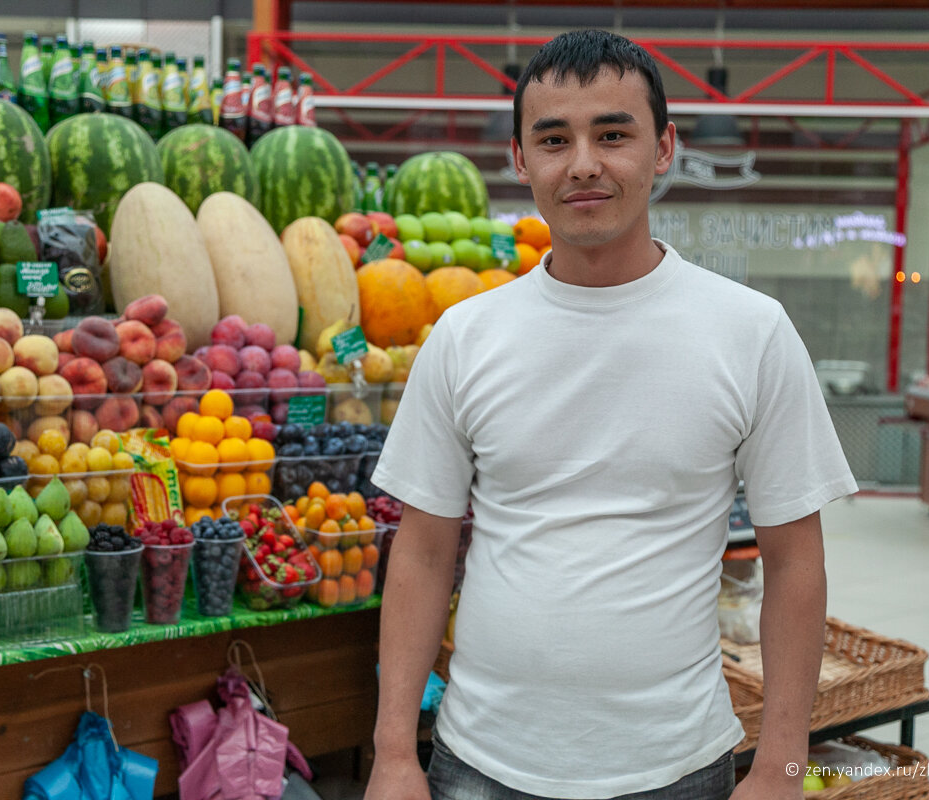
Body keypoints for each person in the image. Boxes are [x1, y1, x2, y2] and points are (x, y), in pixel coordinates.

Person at [365, 28, 857, 800]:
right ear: (521, 160)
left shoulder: (751, 332)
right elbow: (423, 554)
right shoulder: (465, 336)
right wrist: (394, 752)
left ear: (664, 148)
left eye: (613, 133)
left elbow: (795, 563)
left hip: (677, 767)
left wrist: (784, 768)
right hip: (481, 763)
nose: (585, 163)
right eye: (555, 139)